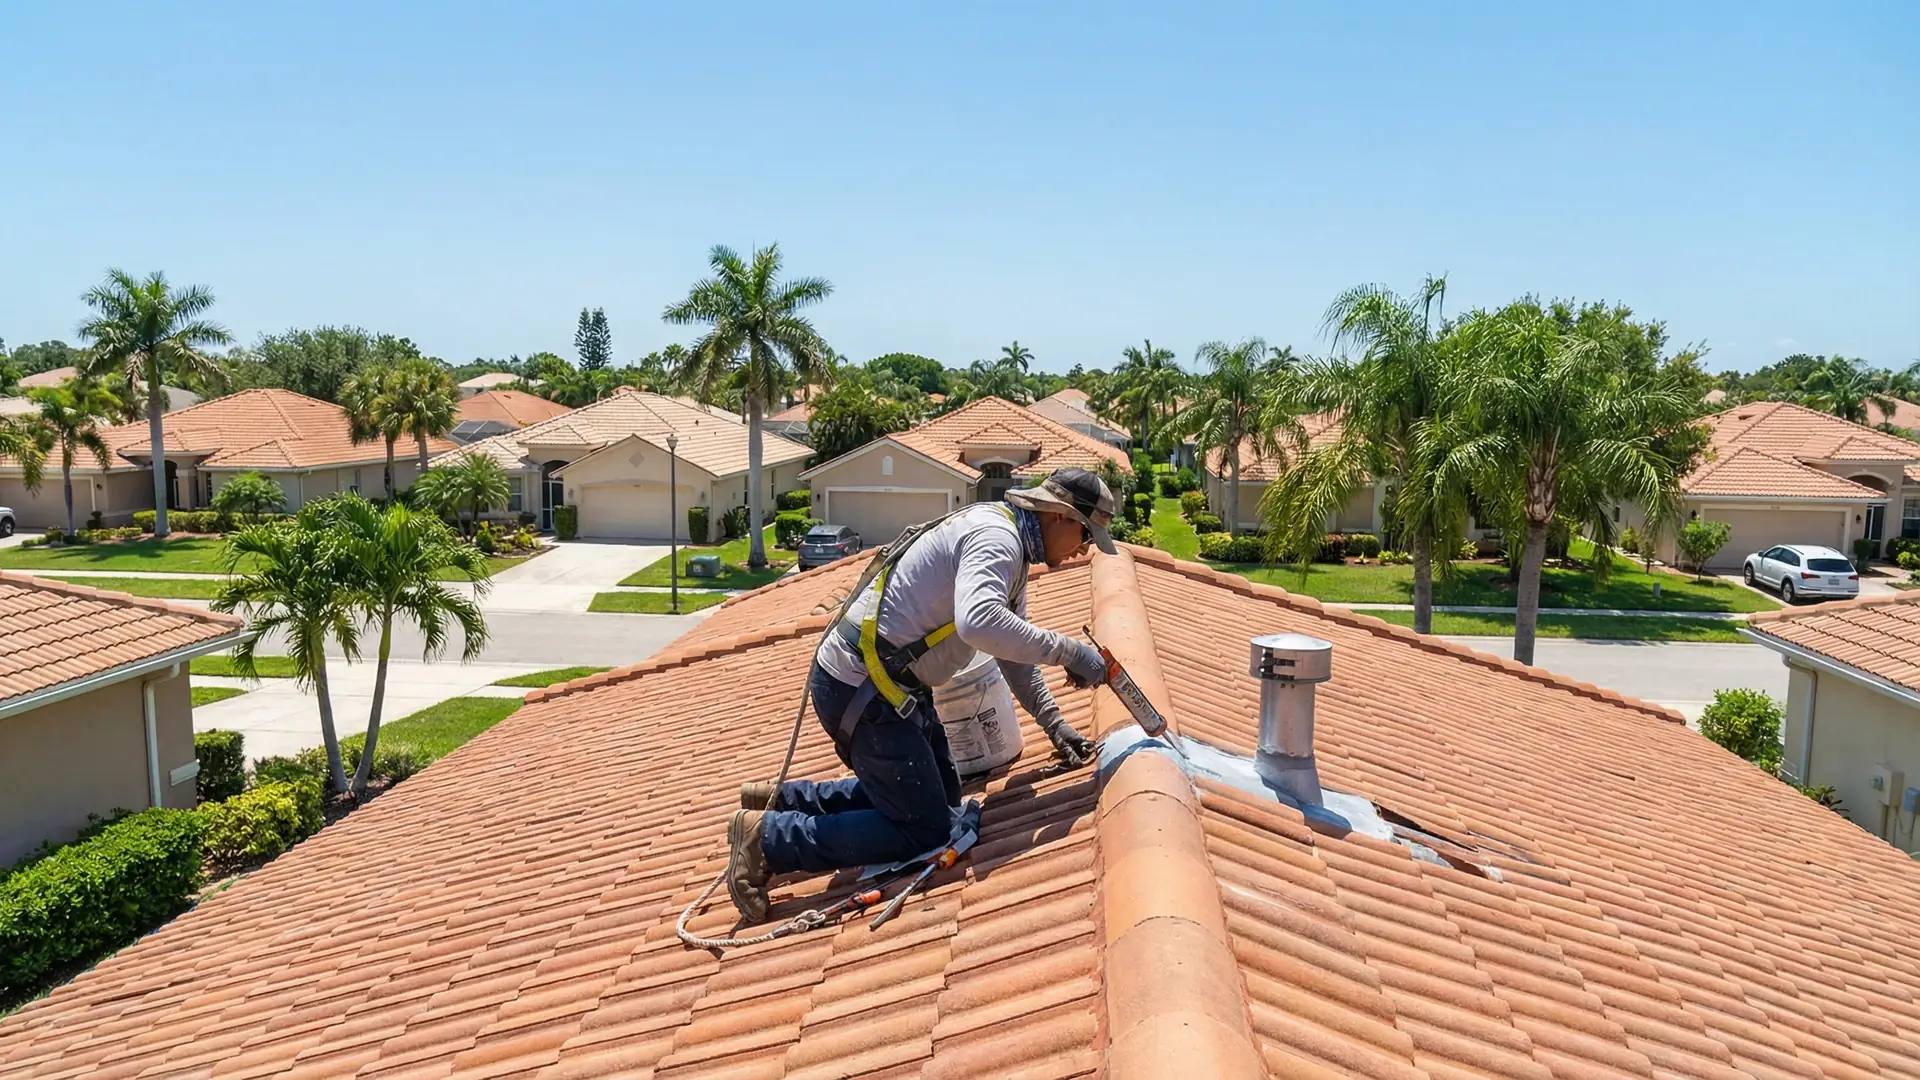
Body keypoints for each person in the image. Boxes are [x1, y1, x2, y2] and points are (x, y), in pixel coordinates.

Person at [725, 467, 1120, 921]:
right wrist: (1069, 651)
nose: (1081, 552)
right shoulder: (997, 541)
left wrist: (1055, 724)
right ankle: (768, 841)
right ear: (1060, 517)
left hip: (889, 688)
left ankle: (780, 800)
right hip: (863, 690)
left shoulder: (1009, 545)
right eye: (1086, 537)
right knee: (924, 828)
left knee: (943, 798)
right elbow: (979, 622)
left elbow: (1010, 650)